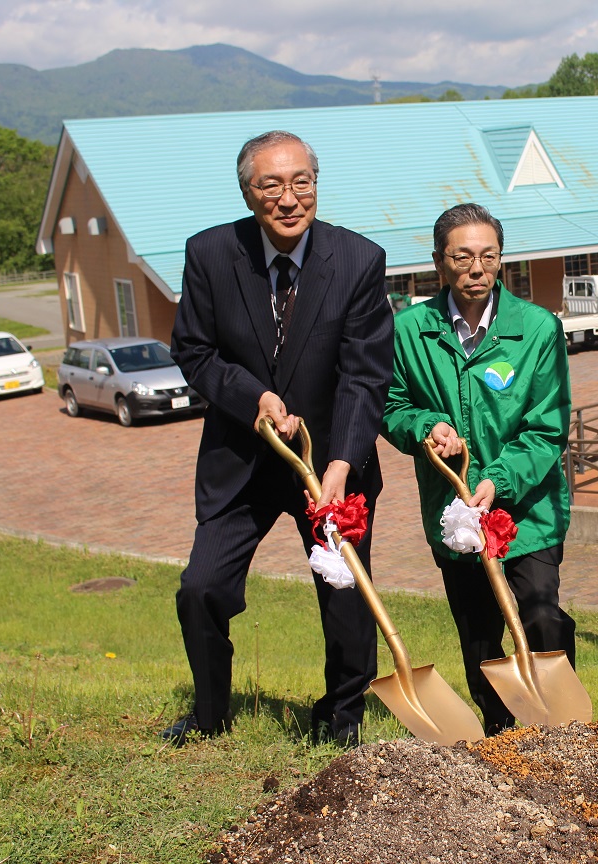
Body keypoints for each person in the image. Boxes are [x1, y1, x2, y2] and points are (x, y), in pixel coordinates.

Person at [164, 130, 393, 746]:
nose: (289, 198)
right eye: (271, 185)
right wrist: (252, 399)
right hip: (241, 457)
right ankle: (210, 715)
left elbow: (365, 376)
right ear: (248, 193)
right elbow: (193, 350)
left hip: (329, 464)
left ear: (316, 184)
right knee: (200, 587)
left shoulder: (358, 261)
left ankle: (342, 719)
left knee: (345, 593)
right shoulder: (211, 254)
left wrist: (342, 460)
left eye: (301, 183)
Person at [382, 202, 576, 736]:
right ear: (438, 263)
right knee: (479, 631)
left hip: (527, 509)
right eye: (462, 257)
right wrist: (425, 427)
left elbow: (547, 428)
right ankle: (499, 737)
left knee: (540, 615)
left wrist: (497, 481)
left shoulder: (536, 329)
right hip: (455, 513)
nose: (477, 269)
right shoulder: (409, 331)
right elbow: (392, 405)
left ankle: (561, 734)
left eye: (489, 256)